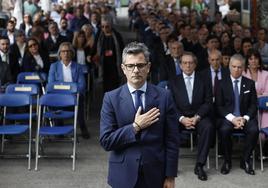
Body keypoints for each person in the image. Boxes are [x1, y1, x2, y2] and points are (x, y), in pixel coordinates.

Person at [100, 42, 179, 188]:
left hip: (156, 173)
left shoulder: (164, 96)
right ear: (123, 69)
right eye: (130, 66)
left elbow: (172, 140)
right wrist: (135, 127)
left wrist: (170, 175)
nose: (135, 70)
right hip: (123, 174)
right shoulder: (111, 98)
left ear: (148, 67)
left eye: (140, 65)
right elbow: (106, 141)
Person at [169, 51, 214, 181]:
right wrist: (182, 119)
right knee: (168, 126)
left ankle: (200, 165)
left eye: (190, 63)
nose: (187, 66)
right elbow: (171, 104)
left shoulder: (204, 80)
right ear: (180, 65)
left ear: (195, 64)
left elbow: (208, 102)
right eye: (185, 63)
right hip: (180, 117)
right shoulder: (173, 81)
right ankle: (170, 165)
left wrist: (197, 117)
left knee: (208, 127)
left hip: (199, 116)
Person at [216, 54, 259, 175]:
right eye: (234, 66)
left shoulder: (250, 83)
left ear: (244, 67)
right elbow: (219, 106)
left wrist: (244, 119)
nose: (236, 69)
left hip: (245, 117)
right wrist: (232, 119)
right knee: (224, 130)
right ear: (229, 67)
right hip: (228, 118)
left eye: (239, 67)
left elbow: (253, 105)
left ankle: (245, 160)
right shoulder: (221, 83)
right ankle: (227, 161)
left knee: (254, 130)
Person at [48, 42, 90, 139]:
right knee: (53, 101)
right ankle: (59, 129)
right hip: (59, 96)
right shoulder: (54, 66)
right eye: (63, 51)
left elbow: (82, 85)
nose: (66, 54)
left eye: (68, 51)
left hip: (74, 96)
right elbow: (51, 85)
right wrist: (70, 88)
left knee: (80, 99)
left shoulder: (78, 67)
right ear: (59, 54)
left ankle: (83, 128)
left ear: (72, 53)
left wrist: (67, 89)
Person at [243, 49, 268, 129]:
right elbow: (242, 93)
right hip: (247, 105)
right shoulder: (243, 74)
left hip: (263, 105)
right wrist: (258, 95)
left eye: (256, 58)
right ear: (247, 61)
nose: (253, 61)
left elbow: (267, 93)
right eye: (251, 59)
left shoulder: (266, 74)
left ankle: (264, 130)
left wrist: (257, 96)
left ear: (259, 60)